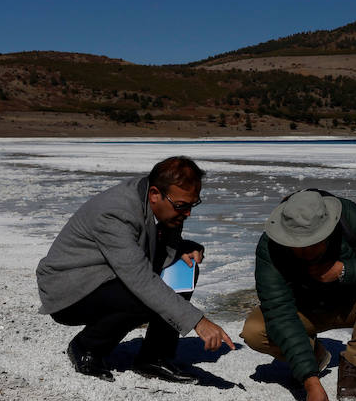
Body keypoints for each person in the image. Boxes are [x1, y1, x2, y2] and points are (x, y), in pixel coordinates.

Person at [36, 156, 234, 382]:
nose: (187, 213)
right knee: (141, 296)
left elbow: (153, 250)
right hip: (69, 288)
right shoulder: (116, 213)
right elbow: (139, 278)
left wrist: (183, 249)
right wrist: (198, 321)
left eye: (192, 205)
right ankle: (86, 347)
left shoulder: (163, 201)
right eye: (181, 206)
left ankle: (154, 358)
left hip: (107, 275)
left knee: (183, 269)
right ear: (155, 195)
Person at [241, 188, 356, 401]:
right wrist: (311, 382)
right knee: (255, 331)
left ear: (329, 230)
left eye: (312, 243)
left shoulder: (349, 218)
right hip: (305, 309)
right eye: (298, 244)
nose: (306, 252)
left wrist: (343, 270)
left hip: (351, 303)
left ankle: (353, 363)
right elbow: (279, 311)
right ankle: (314, 355)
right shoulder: (270, 246)